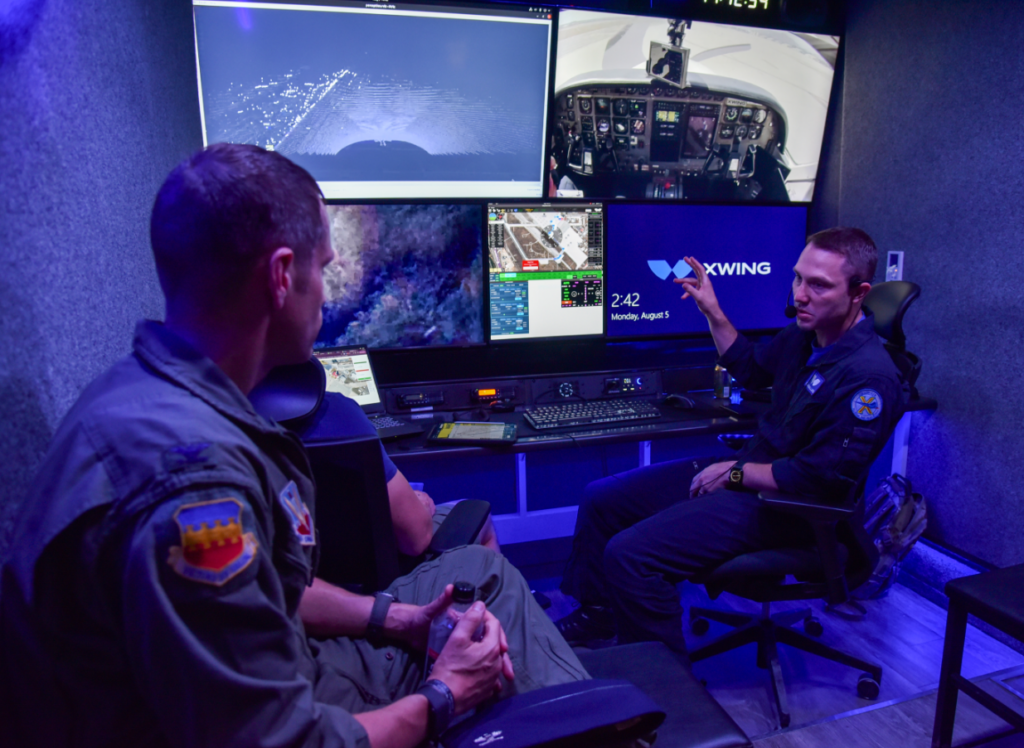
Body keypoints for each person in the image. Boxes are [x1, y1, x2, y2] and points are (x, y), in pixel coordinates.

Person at [0, 143, 587, 748]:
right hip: (285, 715)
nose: (327, 297)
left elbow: (269, 591)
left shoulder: (145, 391)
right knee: (495, 632)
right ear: (282, 276)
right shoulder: (193, 491)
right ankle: (596, 725)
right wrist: (444, 695)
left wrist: (398, 618)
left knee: (478, 571)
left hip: (280, 666)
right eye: (323, 268)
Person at [555, 228, 908, 654]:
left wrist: (736, 473)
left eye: (818, 285)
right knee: (603, 498)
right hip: (750, 472)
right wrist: (713, 311)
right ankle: (600, 617)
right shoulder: (806, 336)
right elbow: (753, 369)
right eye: (798, 278)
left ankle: (670, 693)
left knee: (630, 556)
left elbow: (819, 479)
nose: (800, 294)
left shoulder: (868, 378)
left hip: (787, 508)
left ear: (858, 293)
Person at [306, 391, 501, 556]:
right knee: (480, 516)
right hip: (384, 579)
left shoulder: (275, 427)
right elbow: (415, 542)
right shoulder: (340, 411)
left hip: (299, 585)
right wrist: (421, 505)